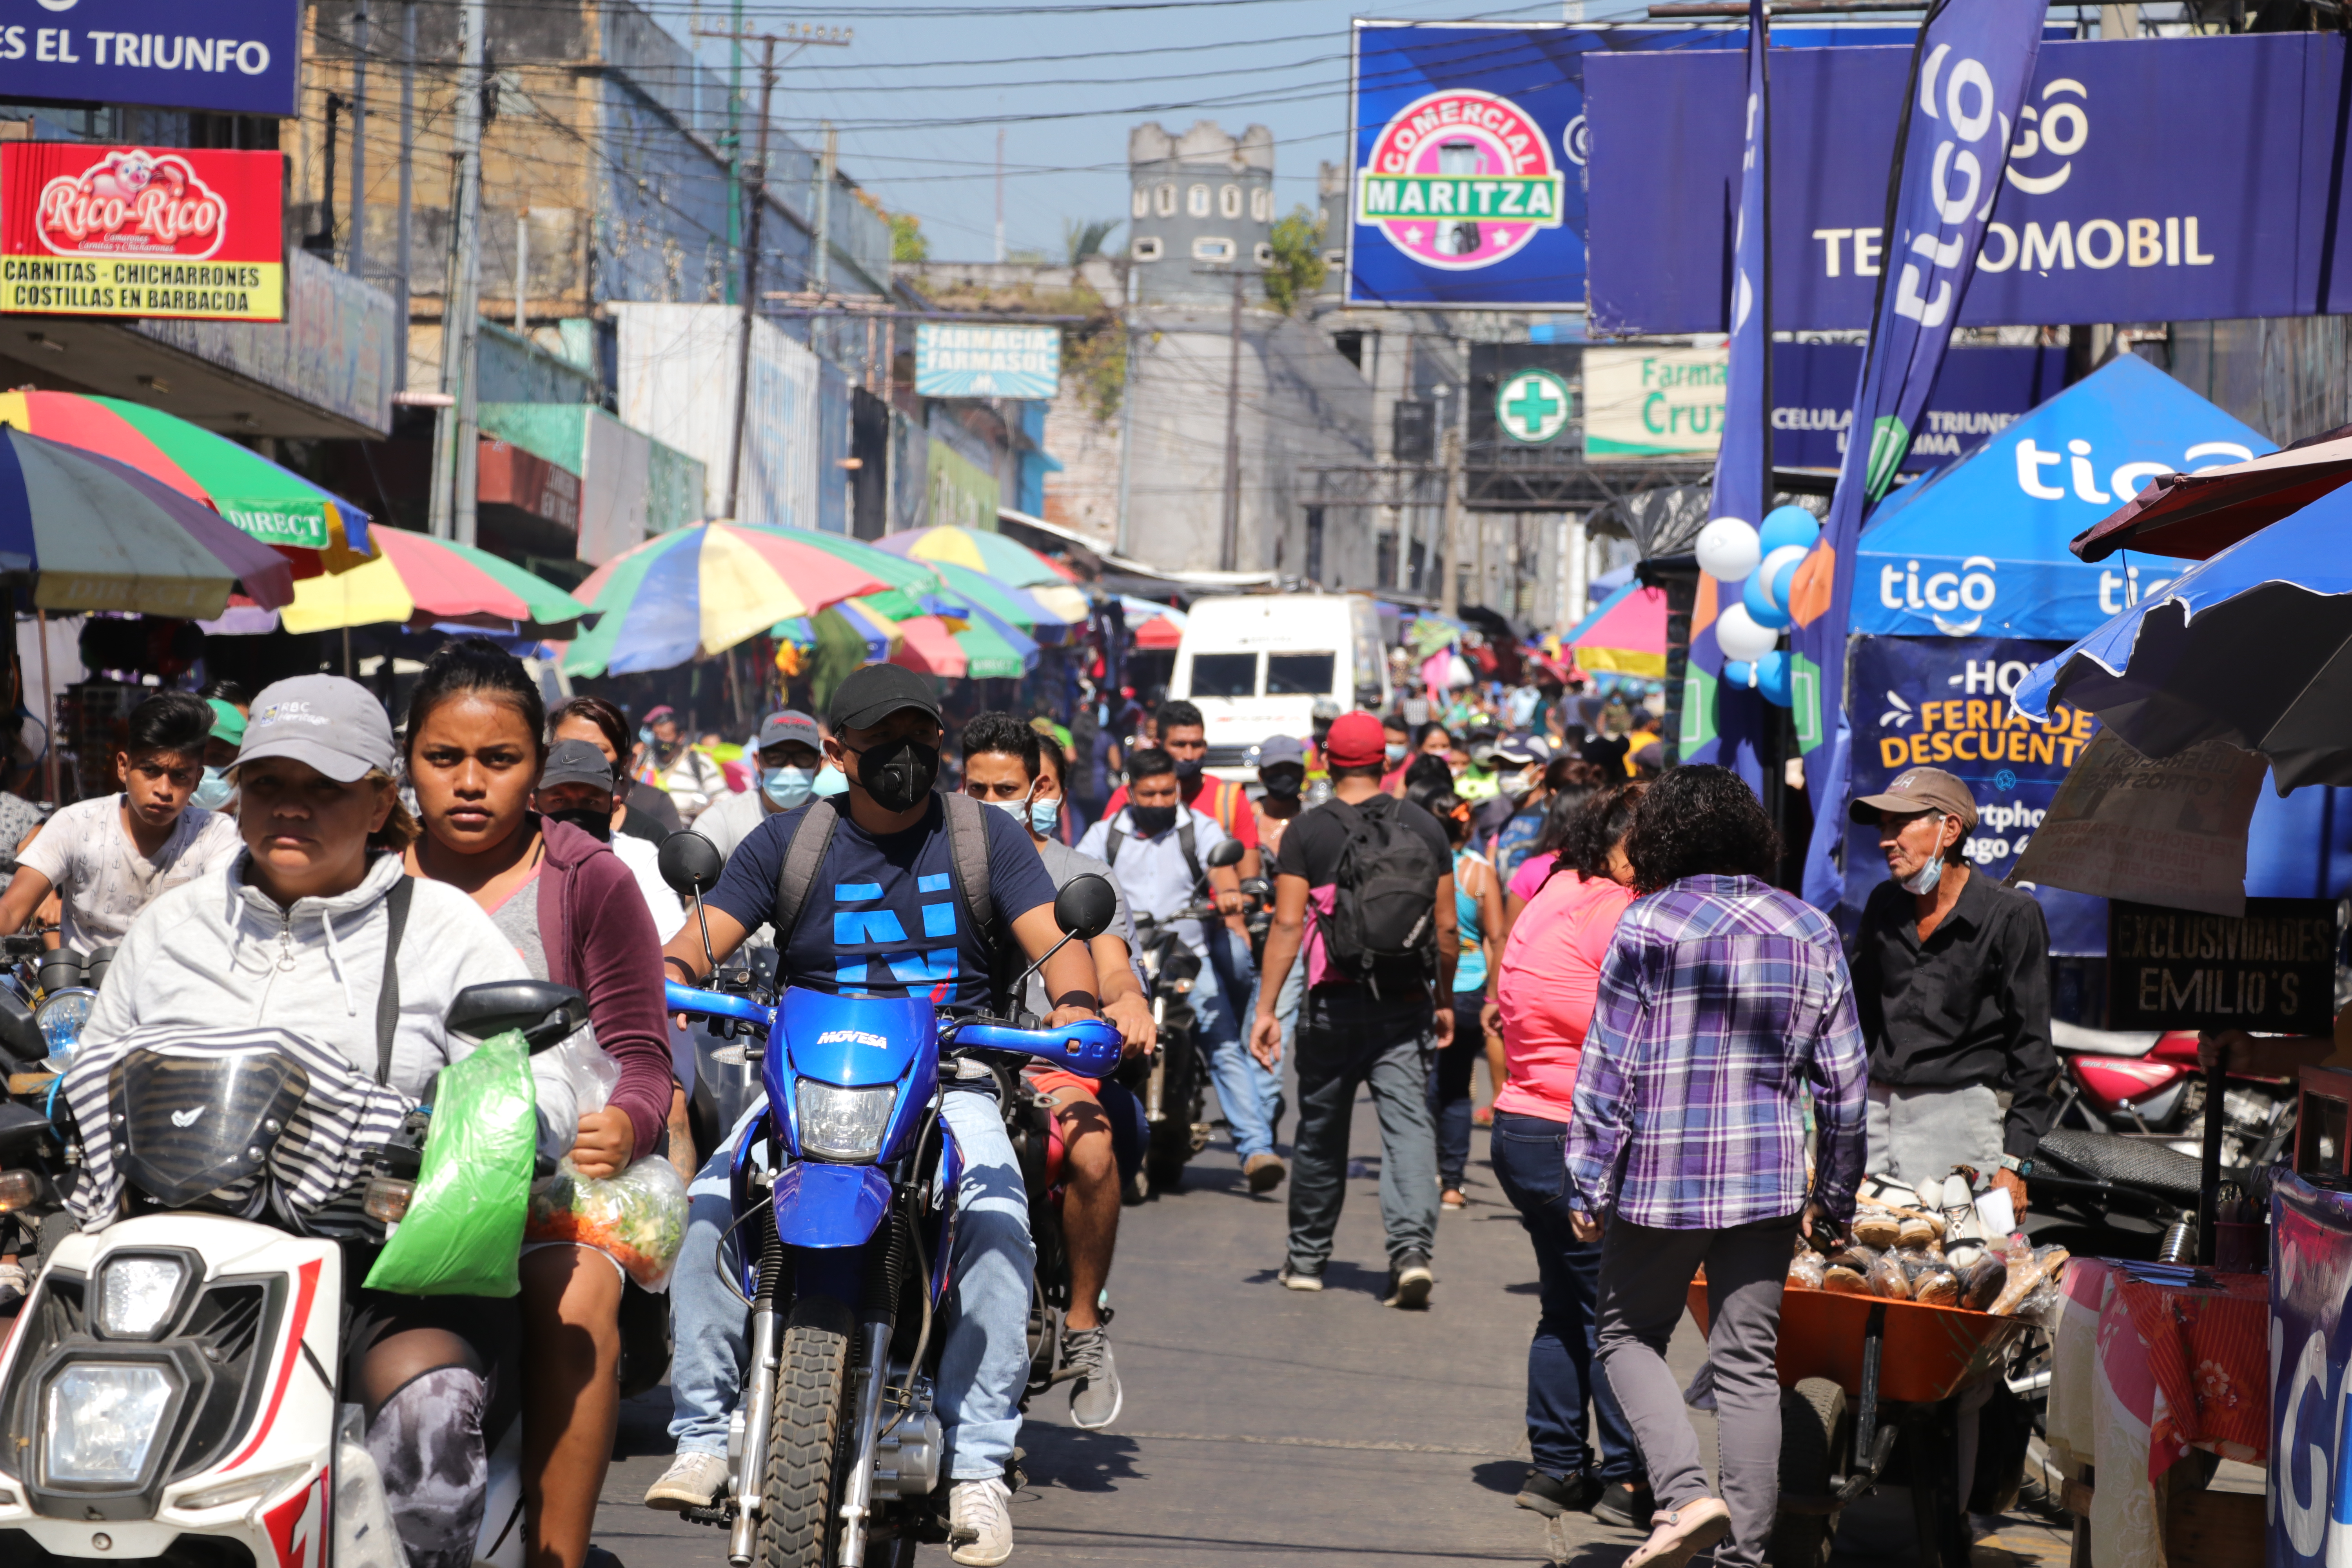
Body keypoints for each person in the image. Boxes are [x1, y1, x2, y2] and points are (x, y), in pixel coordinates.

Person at [76, 675, 582, 1568]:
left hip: (382, 1277)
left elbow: (540, 1084)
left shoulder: (443, 927)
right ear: (238, 795)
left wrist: (490, 1125)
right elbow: (94, 1067)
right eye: (271, 785)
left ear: (382, 798)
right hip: (178, 1272)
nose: (291, 810)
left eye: (324, 788)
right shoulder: (172, 928)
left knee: (428, 1411)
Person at [647, 663, 1102, 1568]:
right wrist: (668, 981)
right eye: (882, 739)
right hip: (804, 1081)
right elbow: (697, 946)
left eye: (920, 736)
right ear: (836, 751)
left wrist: (1077, 1010)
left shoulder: (987, 840)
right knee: (704, 1205)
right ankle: (701, 1434)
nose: (906, 755)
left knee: (998, 1220)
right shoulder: (787, 842)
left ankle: (977, 1466)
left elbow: (1060, 945)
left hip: (953, 1077)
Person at [400, 641, 675, 1568]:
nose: (470, 783)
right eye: (446, 759)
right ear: (409, 764)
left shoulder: (589, 877)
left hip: (545, 1176)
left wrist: (627, 1123)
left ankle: (559, 1548)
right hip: (384, 1169)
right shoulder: (362, 869)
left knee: (573, 1302)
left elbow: (643, 1054)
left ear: (537, 770)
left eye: (499, 759)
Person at [1565, 765, 1867, 1568]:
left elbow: (1608, 1065)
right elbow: (1846, 1082)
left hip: (1660, 1175)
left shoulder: (1649, 924)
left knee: (1626, 1334)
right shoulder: (1811, 928)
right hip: (1767, 1181)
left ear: (1664, 834)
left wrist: (1588, 1176)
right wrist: (1833, 1197)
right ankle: (1747, 1557)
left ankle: (1683, 1491)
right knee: (1746, 1364)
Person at [961, 712, 1156, 1430]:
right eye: (975, 786)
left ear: (1041, 788)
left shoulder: (1082, 878)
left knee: (1095, 1147)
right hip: (946, 1057)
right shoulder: (931, 857)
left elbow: (1114, 969)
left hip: (1047, 1061)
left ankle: (1082, 1324)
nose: (992, 799)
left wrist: (1128, 1006)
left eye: (1007, 787)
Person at [1250, 711, 1457, 1307]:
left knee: (1320, 1130)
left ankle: (1308, 1259)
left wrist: (1267, 1009)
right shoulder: (1424, 825)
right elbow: (1446, 930)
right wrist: (1442, 1000)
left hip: (1331, 1004)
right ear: (1386, 762)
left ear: (1327, 761)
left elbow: (1289, 924)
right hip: (1406, 1002)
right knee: (1410, 1131)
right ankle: (1412, 1252)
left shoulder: (1307, 832)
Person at [1491, 783, 1650, 1529]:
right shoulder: (1614, 910)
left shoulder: (1555, 886)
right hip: (1572, 1135)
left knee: (1565, 1306)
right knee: (1612, 1316)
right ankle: (1626, 1478)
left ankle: (1557, 1468)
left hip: (1522, 1128)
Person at [1079, 745, 1285, 1193]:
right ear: (1130, 791)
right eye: (1149, 794)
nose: (1159, 802)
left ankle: (1256, 1151)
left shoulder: (1198, 826)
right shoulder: (1105, 833)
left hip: (1188, 953)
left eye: (1167, 792)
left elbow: (1222, 865)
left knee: (1222, 1039)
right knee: (1099, 1044)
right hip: (1126, 961)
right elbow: (1077, 875)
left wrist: (1229, 894)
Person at [1847, 766, 2051, 1216]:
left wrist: (2015, 1163)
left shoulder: (2011, 915)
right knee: (1867, 1269)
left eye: (1900, 825)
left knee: (1956, 1273)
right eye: (1884, 827)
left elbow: (2034, 1054)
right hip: (1875, 1119)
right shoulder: (1884, 904)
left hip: (1957, 1123)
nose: (1886, 840)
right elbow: (1856, 1024)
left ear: (1950, 829)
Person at [0, 689, 241, 952]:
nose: (164, 789)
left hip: (178, 984)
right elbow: (11, 912)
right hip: (86, 989)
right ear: (123, 767)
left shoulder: (215, 833)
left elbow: (227, 917)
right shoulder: (76, 823)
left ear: (197, 779)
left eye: (180, 776)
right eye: (151, 771)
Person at [1417, 779, 1502, 1213]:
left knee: (1418, 1084)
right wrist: (1493, 994)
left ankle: (1417, 1171)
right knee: (1454, 1088)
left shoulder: (1415, 866)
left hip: (1419, 986)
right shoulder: (1479, 873)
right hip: (1468, 992)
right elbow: (1495, 935)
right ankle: (1452, 1182)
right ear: (1467, 830)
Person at [537, 737, 685, 941]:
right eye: (559, 801)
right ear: (534, 805)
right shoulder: (512, 859)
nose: (575, 813)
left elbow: (670, 940)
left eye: (590, 801)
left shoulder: (640, 857)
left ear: (614, 806)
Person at [1098, 698, 1261, 880]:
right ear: (1158, 746)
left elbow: (1249, 876)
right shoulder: (1129, 797)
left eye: (1197, 745)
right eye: (1179, 745)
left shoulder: (1229, 797)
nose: (1189, 755)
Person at [695, 708, 823, 861]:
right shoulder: (722, 820)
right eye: (776, 757)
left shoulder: (838, 821)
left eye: (803, 758)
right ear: (757, 762)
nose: (790, 768)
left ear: (819, 765)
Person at [550, 694, 682, 841]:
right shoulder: (528, 826)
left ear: (624, 763)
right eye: (567, 747)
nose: (579, 757)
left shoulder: (649, 837)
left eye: (597, 749)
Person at [633, 703, 726, 824]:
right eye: (657, 735)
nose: (660, 741)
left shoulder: (700, 763)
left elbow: (724, 799)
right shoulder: (643, 760)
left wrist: (705, 813)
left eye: (665, 736)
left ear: (681, 737)